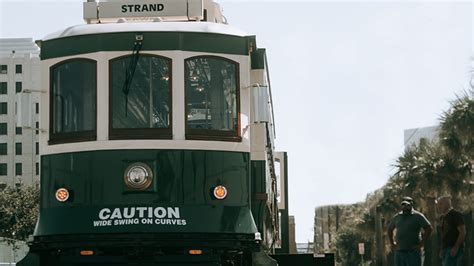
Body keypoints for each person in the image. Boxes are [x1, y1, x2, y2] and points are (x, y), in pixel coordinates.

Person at [387, 199, 433, 266]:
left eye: (407, 205)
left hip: (413, 252)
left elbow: (428, 228)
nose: (405, 206)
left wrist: (421, 243)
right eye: (403, 205)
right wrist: (392, 243)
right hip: (399, 252)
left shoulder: (418, 216)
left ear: (411, 204)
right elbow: (390, 229)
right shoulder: (397, 217)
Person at [436, 195, 466, 266]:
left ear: (447, 204)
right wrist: (441, 249)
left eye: (441, 204)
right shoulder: (442, 217)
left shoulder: (456, 214)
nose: (438, 206)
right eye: (438, 204)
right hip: (445, 249)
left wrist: (456, 247)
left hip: (453, 249)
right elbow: (443, 234)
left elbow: (462, 232)